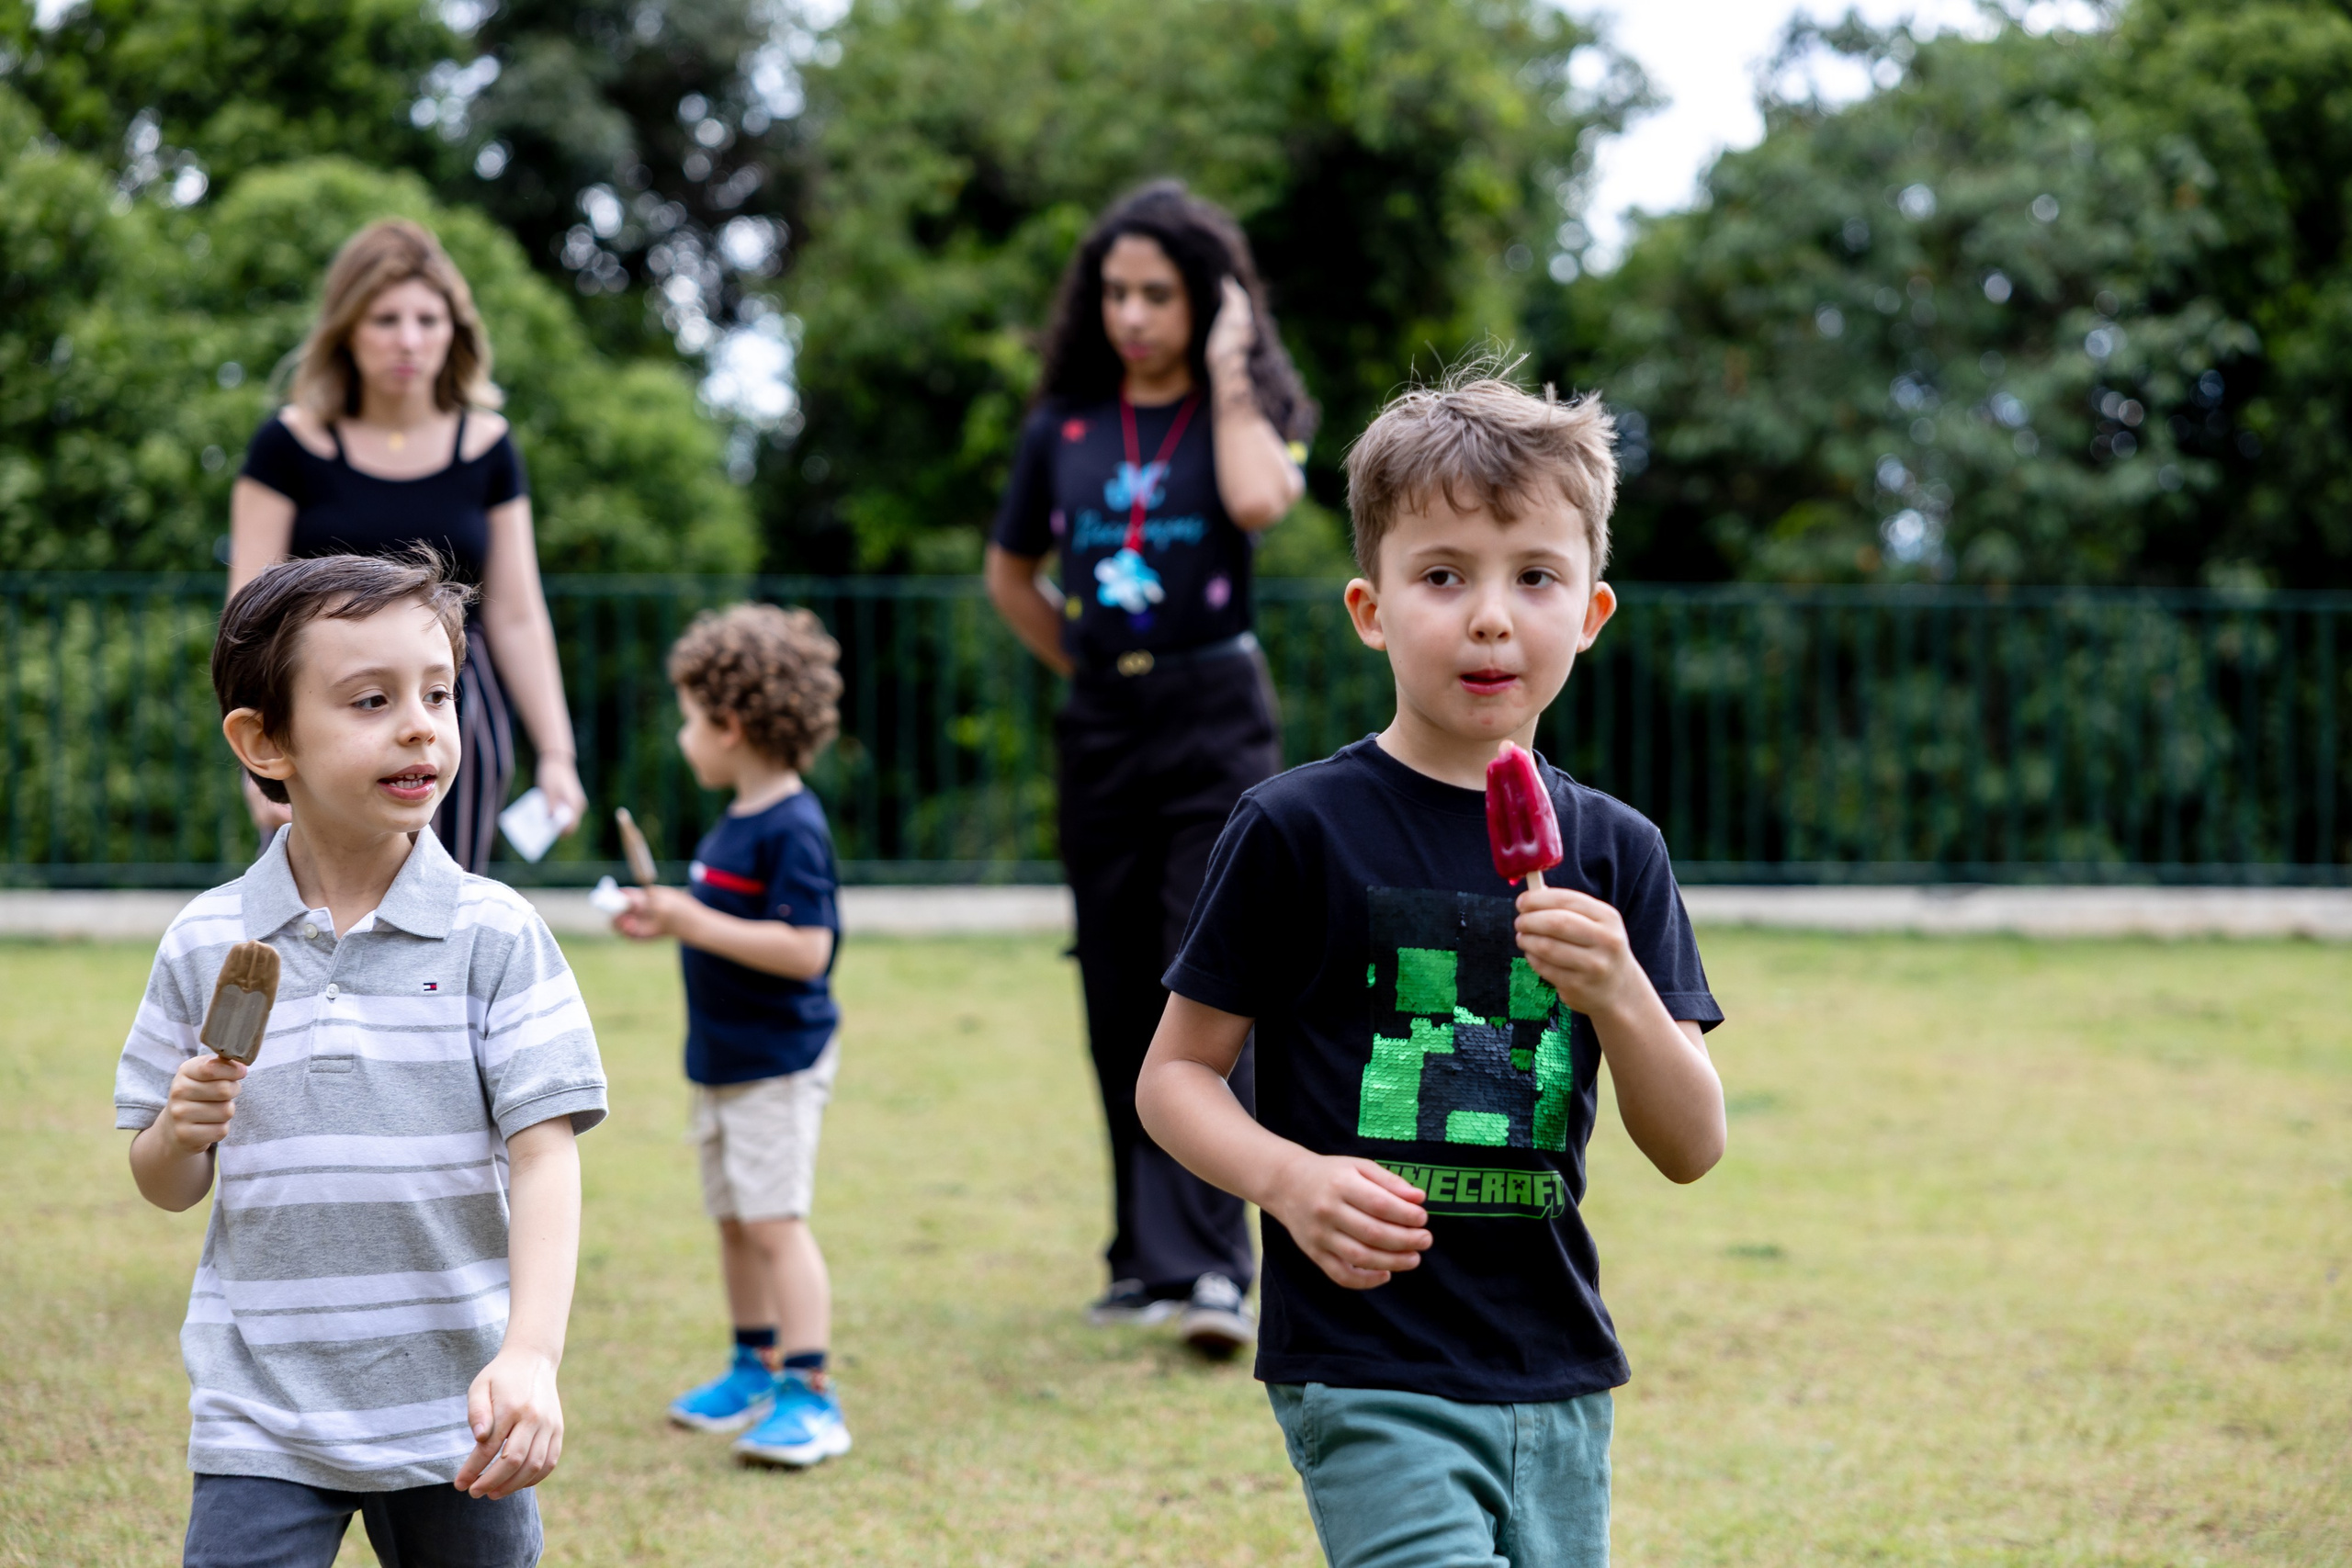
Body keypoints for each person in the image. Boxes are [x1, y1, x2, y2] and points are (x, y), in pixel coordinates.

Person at [1136, 374, 1728, 1568]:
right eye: (1443, 574)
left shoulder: (1619, 850)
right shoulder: (1295, 828)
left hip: (1557, 1363)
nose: (1491, 617)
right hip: (1368, 1360)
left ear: (1594, 609)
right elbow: (1176, 1077)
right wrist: (1290, 1180)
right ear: (1371, 605)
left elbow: (1692, 1140)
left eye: (1535, 576)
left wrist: (1618, 990)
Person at [115, 552, 607, 1568]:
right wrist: (182, 1130)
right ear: (265, 741)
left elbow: (546, 1157)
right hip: (263, 1410)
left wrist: (531, 1356)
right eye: (370, 700)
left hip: (459, 1413)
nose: (421, 723)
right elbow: (164, 1185)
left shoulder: (496, 935)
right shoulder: (207, 944)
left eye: (438, 693)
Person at [984, 179, 1317, 1354]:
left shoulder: (1254, 405)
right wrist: (1084, 661)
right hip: (1103, 728)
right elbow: (1010, 573)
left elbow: (1258, 496)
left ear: (1207, 299)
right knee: (1117, 982)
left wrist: (1232, 364)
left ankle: (1215, 1268)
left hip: (1215, 714)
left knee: (1209, 976)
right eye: (1116, 293)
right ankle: (1142, 1259)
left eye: (1159, 294)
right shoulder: (1063, 429)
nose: (1132, 314)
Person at [229, 218, 585, 873]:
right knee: (308, 903)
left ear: (455, 329)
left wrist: (557, 755)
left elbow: (515, 613)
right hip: (320, 701)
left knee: (446, 914)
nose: (409, 339)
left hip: (456, 709)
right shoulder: (286, 445)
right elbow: (248, 614)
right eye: (386, 318)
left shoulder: (489, 448)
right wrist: (252, 758)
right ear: (347, 328)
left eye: (429, 318)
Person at [609, 604, 852, 1470]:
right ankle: (755, 1365)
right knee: (734, 1222)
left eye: (687, 715)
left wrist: (694, 921)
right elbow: (717, 919)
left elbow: (807, 949)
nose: (683, 733)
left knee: (776, 1222)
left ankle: (811, 1395)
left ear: (731, 723)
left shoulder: (793, 826)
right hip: (721, 1061)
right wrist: (669, 917)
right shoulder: (733, 823)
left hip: (776, 1065)